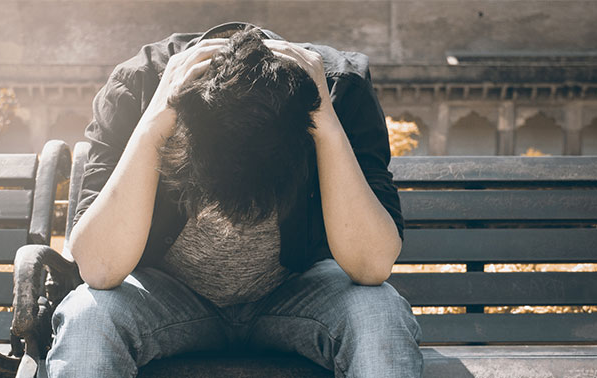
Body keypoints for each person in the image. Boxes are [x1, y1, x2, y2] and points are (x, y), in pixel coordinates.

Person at [49, 22, 422, 377]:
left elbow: (372, 266)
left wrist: (325, 123)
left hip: (297, 290)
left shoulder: (340, 90)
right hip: (166, 296)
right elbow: (98, 268)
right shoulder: (138, 86)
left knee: (380, 315)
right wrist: (153, 126)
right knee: (88, 317)